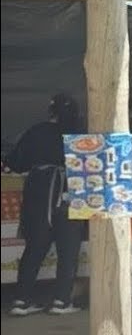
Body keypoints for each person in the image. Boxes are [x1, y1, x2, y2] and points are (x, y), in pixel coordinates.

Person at [5, 92, 87, 316]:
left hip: (38, 194)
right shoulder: (79, 135)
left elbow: (14, 163)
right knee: (68, 249)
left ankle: (21, 301)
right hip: (70, 193)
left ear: (51, 111)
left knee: (34, 248)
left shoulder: (36, 132)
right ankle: (61, 301)